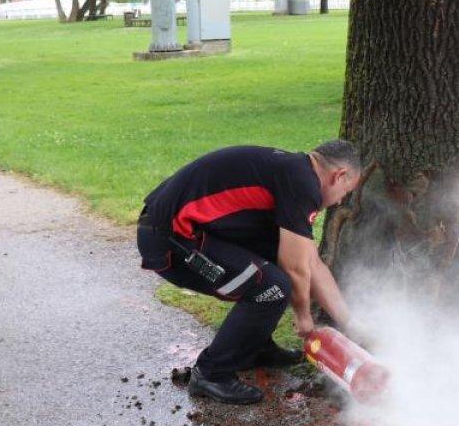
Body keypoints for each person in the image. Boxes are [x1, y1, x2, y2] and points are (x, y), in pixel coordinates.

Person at [137, 140, 361, 404]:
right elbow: (295, 268)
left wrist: (350, 323)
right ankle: (211, 373)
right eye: (346, 192)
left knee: (275, 261)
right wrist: (303, 317)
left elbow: (311, 262)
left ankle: (253, 349)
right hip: (169, 241)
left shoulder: (295, 173)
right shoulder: (302, 183)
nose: (340, 200)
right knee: (273, 286)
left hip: (181, 231)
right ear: (339, 175)